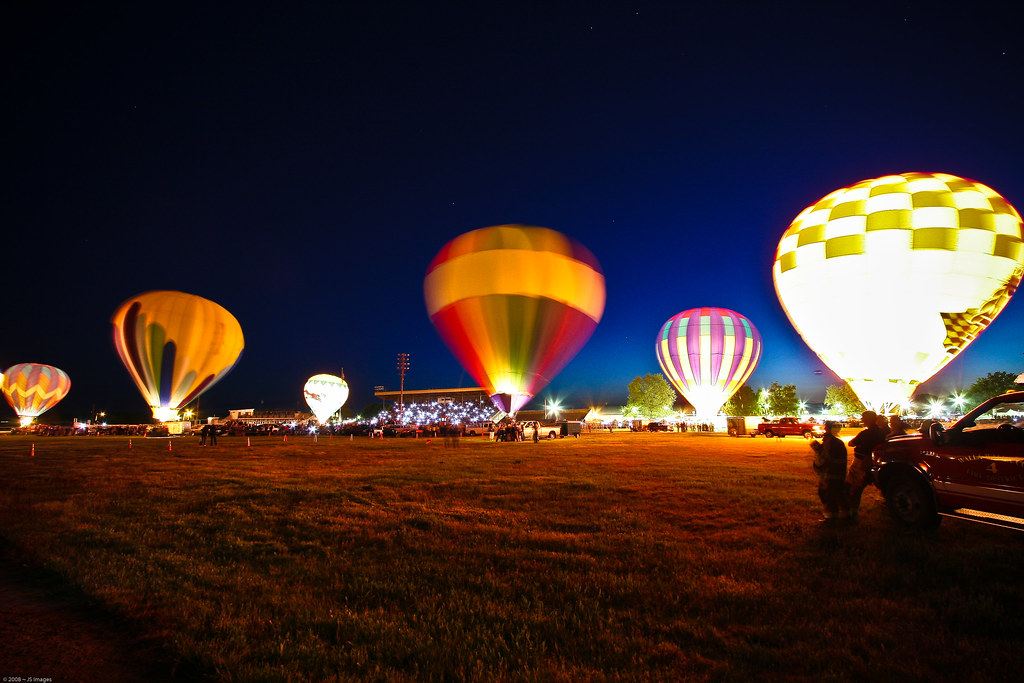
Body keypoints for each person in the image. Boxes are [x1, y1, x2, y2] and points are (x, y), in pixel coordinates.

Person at [845, 410, 886, 523]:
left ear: (868, 420)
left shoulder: (865, 433)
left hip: (861, 462)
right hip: (876, 463)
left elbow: (851, 443)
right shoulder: (881, 432)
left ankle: (852, 515)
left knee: (854, 489)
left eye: (863, 418)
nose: (862, 420)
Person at [810, 421, 849, 524]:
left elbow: (826, 458)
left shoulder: (831, 442)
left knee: (828, 496)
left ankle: (831, 519)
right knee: (839, 495)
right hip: (838, 473)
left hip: (830, 474)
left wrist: (817, 448)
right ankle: (847, 516)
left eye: (826, 427)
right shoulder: (836, 441)